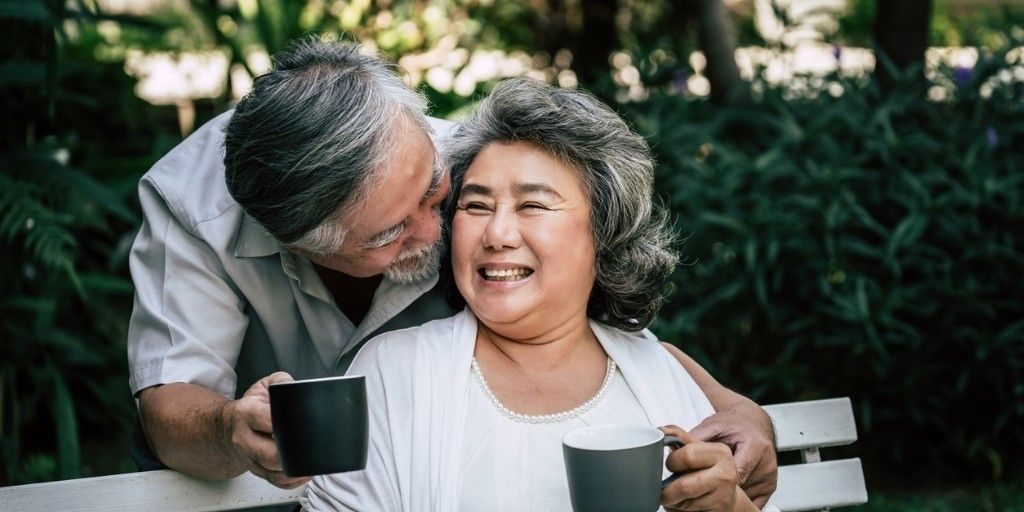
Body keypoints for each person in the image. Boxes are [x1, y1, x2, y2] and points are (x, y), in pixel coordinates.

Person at [126, 38, 776, 504]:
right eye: (390, 233)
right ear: (301, 247)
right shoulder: (199, 210)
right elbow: (170, 397)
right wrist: (231, 432)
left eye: (439, 195)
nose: (447, 232)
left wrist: (736, 408)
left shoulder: (454, 155)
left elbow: (576, 319)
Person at [302, 78, 777, 511]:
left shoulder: (656, 371)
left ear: (604, 231)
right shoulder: (393, 371)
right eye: (476, 205)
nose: (497, 234)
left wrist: (732, 508)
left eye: (532, 205)